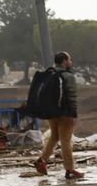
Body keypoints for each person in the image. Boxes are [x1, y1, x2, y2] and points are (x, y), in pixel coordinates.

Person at [32, 51, 85, 179]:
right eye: (69, 60)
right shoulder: (68, 76)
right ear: (64, 61)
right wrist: (73, 114)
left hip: (51, 113)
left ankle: (41, 160)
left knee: (54, 137)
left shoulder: (49, 74)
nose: (71, 62)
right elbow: (71, 96)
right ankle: (70, 170)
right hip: (65, 113)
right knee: (65, 141)